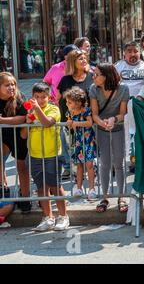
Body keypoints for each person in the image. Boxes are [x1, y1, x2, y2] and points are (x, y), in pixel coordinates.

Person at [21, 82, 69, 231]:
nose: (40, 100)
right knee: (41, 187)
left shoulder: (53, 109)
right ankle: (47, 217)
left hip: (52, 154)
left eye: (43, 97)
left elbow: (47, 123)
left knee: (55, 186)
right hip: (35, 155)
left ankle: (63, 216)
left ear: (49, 97)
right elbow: (23, 135)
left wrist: (37, 110)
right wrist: (27, 123)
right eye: (37, 97)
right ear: (32, 97)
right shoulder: (30, 111)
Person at [90, 63, 130, 213]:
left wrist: (113, 119)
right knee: (104, 163)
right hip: (101, 129)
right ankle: (104, 197)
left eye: (96, 74)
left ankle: (121, 196)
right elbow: (94, 114)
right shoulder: (93, 89)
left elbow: (123, 112)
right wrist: (102, 123)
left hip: (118, 127)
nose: (93, 77)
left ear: (106, 76)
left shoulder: (123, 88)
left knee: (119, 163)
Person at [115, 41, 144, 173]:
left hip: (140, 108)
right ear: (124, 54)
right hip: (121, 108)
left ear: (140, 52)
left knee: (137, 135)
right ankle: (117, 163)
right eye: (129, 51)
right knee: (121, 135)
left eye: (135, 51)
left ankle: (136, 161)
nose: (133, 54)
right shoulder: (117, 67)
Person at [43, 44, 78, 178]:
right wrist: (50, 98)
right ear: (66, 56)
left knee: (78, 140)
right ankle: (68, 167)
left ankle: (81, 166)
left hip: (79, 112)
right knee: (64, 140)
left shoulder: (80, 69)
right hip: (61, 110)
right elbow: (45, 82)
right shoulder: (56, 68)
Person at [0, 72, 31, 213]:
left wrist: (1, 120)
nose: (11, 87)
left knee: (22, 168)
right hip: (3, 136)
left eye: (13, 84)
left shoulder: (19, 97)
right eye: (7, 85)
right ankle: (3, 189)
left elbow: (22, 118)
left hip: (19, 137)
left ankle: (25, 198)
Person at [65, 87, 97, 199]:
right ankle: (79, 188)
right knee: (79, 165)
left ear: (78, 103)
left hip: (88, 141)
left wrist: (76, 123)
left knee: (89, 165)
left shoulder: (85, 111)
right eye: (67, 102)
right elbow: (71, 127)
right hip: (77, 141)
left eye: (70, 102)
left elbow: (89, 123)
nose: (67, 104)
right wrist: (69, 123)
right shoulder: (70, 112)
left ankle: (92, 188)